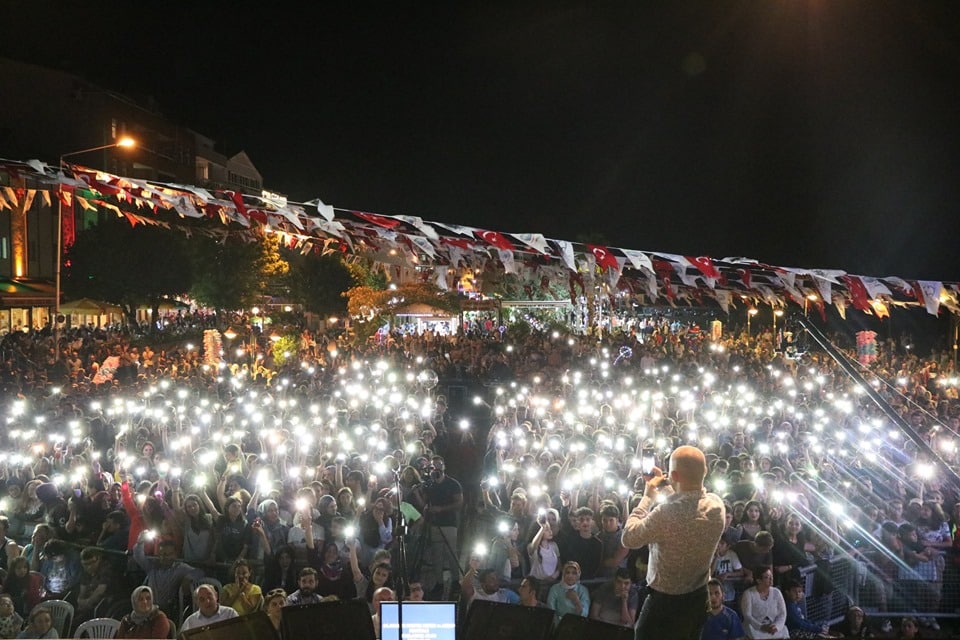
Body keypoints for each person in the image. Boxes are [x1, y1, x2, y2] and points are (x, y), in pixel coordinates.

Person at [622, 445, 725, 640]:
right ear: (705, 471)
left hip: (664, 605)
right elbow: (687, 507)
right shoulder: (716, 505)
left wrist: (646, 498)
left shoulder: (665, 514)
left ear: (674, 475)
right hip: (698, 599)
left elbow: (629, 537)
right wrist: (666, 486)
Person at [418, 456, 463, 599]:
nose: (435, 468)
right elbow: (424, 503)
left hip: (449, 523)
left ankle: (456, 581)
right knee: (436, 554)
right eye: (433, 466)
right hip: (434, 523)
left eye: (438, 465)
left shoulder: (453, 484)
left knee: (451, 553)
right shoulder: (430, 485)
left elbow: (459, 503)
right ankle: (439, 583)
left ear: (443, 467)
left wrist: (441, 509)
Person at [739, 566, 787, 639]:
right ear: (758, 580)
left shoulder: (777, 592)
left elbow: (782, 613)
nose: (771, 579)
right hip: (754, 628)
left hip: (774, 628)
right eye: (767, 577)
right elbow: (747, 616)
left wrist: (776, 626)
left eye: (771, 576)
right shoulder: (748, 594)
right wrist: (761, 627)